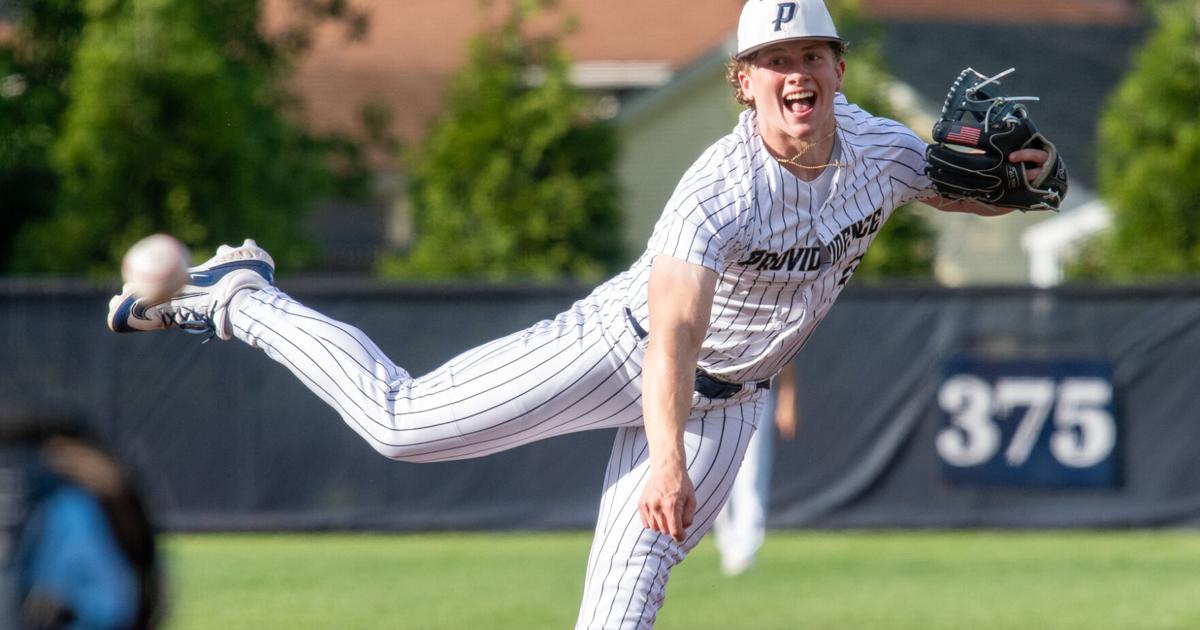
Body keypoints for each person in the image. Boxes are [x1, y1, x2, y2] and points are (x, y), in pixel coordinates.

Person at [106, 1, 1054, 627]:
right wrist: (669, 458)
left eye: (809, 54)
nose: (792, 72)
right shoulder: (714, 191)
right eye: (771, 60)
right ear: (742, 81)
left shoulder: (881, 151)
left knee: (620, 611)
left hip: (730, 402)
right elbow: (674, 334)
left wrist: (1036, 169)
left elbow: (983, 189)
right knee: (400, 424)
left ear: (840, 69)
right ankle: (246, 299)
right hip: (624, 348)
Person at [712, 361, 796, 576]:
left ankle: (745, 549)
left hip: (756, 392)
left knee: (751, 474)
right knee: (716, 473)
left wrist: (787, 398)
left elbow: (784, 353)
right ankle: (727, 542)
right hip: (712, 392)